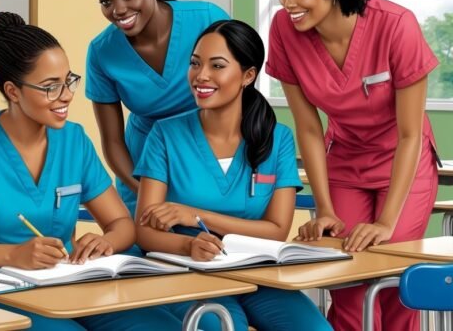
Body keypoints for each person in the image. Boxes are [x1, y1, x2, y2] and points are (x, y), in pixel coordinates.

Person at [0, 12, 183, 330]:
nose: (66, 96)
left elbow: (121, 224)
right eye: (50, 87)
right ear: (13, 91)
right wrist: (13, 254)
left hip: (67, 281)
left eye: (68, 81)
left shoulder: (73, 140)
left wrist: (107, 242)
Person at [253, 0, 439, 331]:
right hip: (346, 161)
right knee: (346, 280)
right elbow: (308, 128)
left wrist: (386, 221)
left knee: (394, 283)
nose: (288, 3)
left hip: (403, 164)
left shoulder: (397, 26)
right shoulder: (284, 30)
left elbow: (411, 135)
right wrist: (324, 208)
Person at [135, 20, 331, 331]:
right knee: (226, 326)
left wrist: (196, 215)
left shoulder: (277, 139)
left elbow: (277, 231)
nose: (201, 76)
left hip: (257, 274)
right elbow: (144, 232)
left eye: (217, 66)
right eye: (195, 64)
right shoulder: (165, 135)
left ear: (248, 75)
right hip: (187, 270)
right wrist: (188, 247)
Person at [87, 0, 229, 217]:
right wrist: (146, 194)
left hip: (207, 156)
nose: (117, 10)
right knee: (142, 256)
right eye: (105, 1)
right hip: (142, 167)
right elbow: (113, 143)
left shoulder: (208, 19)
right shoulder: (102, 52)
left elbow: (241, 96)